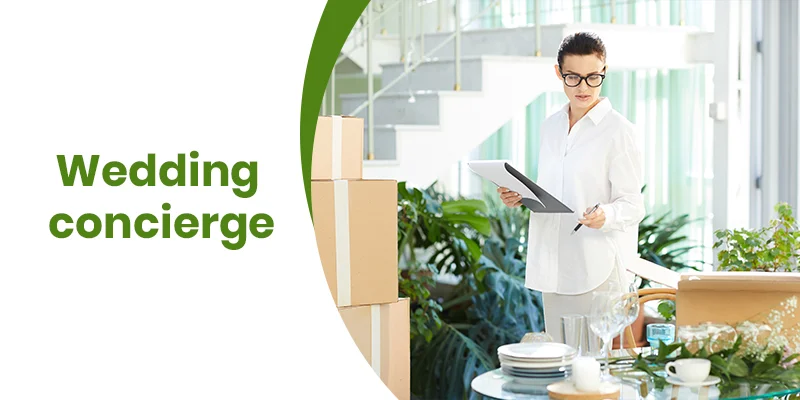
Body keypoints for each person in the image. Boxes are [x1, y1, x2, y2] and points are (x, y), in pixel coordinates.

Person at [497, 32, 645, 344]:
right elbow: (555, 189)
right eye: (573, 77)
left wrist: (605, 214)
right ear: (558, 73)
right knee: (560, 365)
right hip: (552, 263)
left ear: (604, 71)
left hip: (597, 267)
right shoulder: (550, 126)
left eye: (593, 78)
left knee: (594, 371)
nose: (583, 88)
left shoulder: (619, 131)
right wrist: (521, 195)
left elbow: (633, 204)